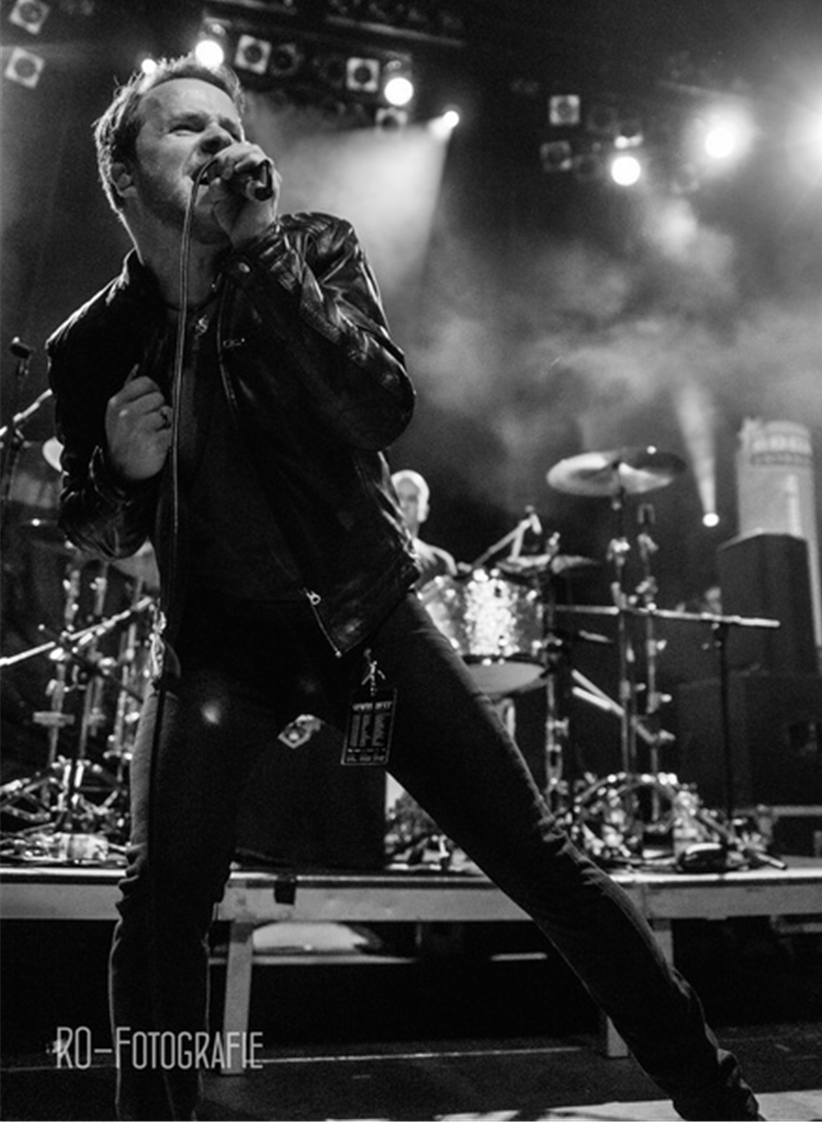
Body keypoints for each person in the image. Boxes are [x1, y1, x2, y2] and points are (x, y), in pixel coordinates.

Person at [46, 55, 764, 1122]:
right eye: (184, 126)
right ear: (123, 175)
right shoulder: (93, 344)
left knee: (541, 860)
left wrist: (264, 257)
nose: (216, 140)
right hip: (215, 650)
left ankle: (719, 1103)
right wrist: (119, 471)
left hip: (362, 616)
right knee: (157, 907)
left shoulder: (313, 248)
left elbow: (378, 405)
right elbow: (94, 527)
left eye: (226, 125)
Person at [390, 467, 457, 587]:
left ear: (424, 511)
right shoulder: (368, 551)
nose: (403, 505)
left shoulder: (441, 562)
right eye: (398, 497)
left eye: (412, 499)